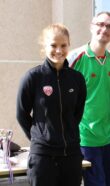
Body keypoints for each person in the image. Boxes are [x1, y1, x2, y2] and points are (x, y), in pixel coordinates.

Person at [16, 23, 87, 186]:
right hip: (43, 157)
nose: (59, 50)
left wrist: (69, 135)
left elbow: (77, 112)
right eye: (53, 45)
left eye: (63, 45)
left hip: (71, 154)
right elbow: (22, 114)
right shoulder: (33, 77)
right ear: (44, 47)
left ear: (69, 45)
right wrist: (40, 138)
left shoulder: (77, 79)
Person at [67, 12, 110, 186]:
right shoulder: (75, 58)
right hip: (85, 138)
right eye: (100, 24)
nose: (104, 29)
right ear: (92, 26)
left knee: (107, 182)